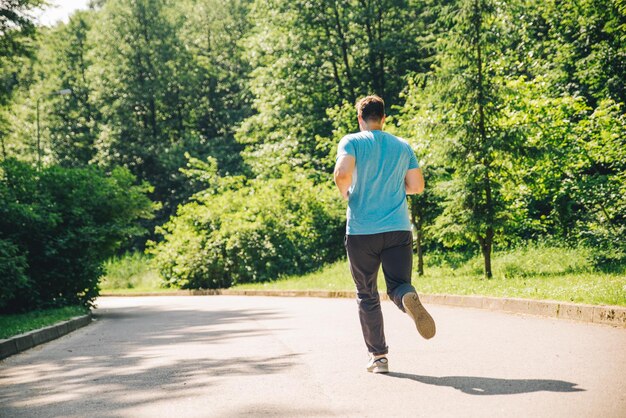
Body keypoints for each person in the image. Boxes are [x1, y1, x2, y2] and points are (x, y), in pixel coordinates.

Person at [333, 95, 436, 374]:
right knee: (398, 285)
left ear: (360, 119)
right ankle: (406, 298)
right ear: (384, 118)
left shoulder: (352, 141)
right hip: (398, 229)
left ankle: (379, 357)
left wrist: (347, 193)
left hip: (362, 231)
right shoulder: (402, 146)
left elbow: (342, 173)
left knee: (367, 294)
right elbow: (416, 186)